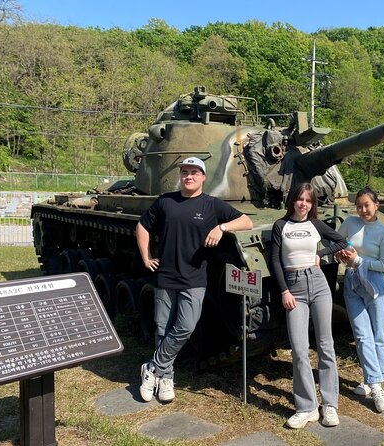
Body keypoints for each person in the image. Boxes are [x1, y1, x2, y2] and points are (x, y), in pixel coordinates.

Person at [136, 156, 253, 403]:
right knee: (162, 328)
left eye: (194, 172)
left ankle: (151, 368)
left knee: (186, 327)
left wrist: (221, 228)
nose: (189, 176)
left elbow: (247, 221)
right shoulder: (166, 201)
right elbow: (143, 225)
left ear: (202, 177)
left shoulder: (212, 205)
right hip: (166, 276)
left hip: (194, 277)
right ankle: (166, 377)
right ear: (180, 175)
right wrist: (146, 257)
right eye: (185, 172)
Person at [269, 183, 347, 429]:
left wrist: (322, 253)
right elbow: (274, 260)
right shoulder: (281, 226)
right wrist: (284, 291)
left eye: (308, 200)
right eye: (300, 199)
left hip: (318, 282)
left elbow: (341, 241)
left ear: (313, 204)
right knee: (300, 349)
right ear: (293, 200)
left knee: (326, 345)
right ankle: (307, 407)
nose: (303, 203)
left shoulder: (316, 225)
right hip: (294, 288)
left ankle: (330, 404)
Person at [336, 187, 384, 413]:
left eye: (367, 205)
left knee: (378, 335)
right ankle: (375, 382)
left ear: (376, 204)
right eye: (359, 205)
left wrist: (359, 260)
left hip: (375, 284)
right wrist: (339, 254)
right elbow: (337, 244)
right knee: (361, 335)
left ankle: (374, 380)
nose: (362, 209)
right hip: (352, 283)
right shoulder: (350, 223)